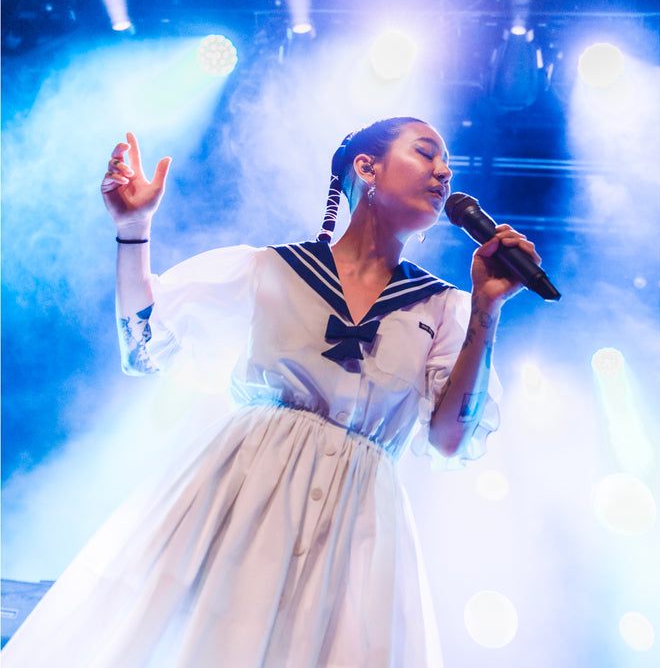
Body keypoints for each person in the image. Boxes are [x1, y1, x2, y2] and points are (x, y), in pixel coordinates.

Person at [3, 116, 540, 668]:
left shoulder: (443, 306)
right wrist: (134, 228)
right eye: (426, 153)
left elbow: (450, 442)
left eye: (446, 162)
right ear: (367, 168)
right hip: (243, 495)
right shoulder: (273, 268)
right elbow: (142, 346)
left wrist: (486, 310)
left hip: (356, 523)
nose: (444, 170)